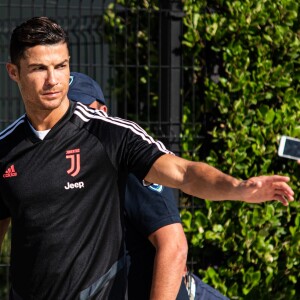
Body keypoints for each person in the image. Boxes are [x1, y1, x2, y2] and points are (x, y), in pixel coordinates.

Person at [0, 16, 294, 300]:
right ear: (14, 72)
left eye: (61, 66)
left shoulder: (108, 133)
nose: (53, 80)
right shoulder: (5, 150)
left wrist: (238, 188)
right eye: (39, 68)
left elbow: (184, 173)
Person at [68, 71, 229, 300]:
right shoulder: (70, 171)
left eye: (85, 109)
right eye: (70, 112)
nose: (78, 119)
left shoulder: (125, 163)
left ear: (103, 112)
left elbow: (173, 246)